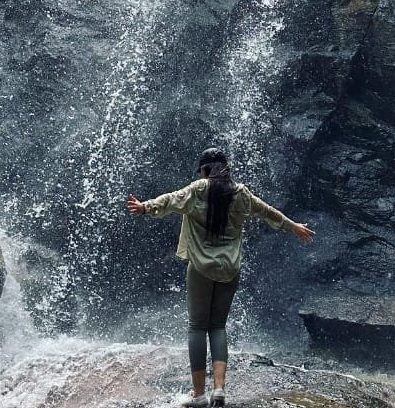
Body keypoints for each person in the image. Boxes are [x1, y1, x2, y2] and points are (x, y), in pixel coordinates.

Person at [127, 147, 315, 408]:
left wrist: (145, 207)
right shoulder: (241, 194)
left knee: (197, 327)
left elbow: (170, 200)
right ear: (226, 168)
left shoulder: (198, 189)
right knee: (218, 326)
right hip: (230, 269)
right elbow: (268, 211)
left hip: (201, 268)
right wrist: (293, 226)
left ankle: (199, 396)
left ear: (205, 170)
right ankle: (219, 390)